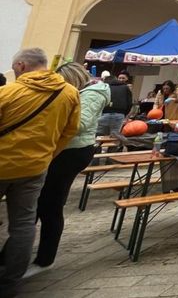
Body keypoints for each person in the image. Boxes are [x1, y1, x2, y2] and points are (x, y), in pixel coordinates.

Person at [0, 48, 80, 294]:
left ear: (22, 66)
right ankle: (10, 283)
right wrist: (47, 155)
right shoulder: (69, 93)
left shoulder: (8, 91)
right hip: (36, 167)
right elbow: (70, 130)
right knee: (23, 224)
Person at [29, 62, 109, 276]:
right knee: (39, 202)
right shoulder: (80, 93)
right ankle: (17, 250)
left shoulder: (92, 94)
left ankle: (45, 258)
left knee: (51, 203)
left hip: (73, 152)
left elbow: (80, 124)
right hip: (62, 149)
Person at [97, 74, 134, 147]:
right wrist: (124, 114)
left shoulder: (105, 87)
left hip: (104, 113)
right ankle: (110, 153)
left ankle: (97, 153)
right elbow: (130, 103)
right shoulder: (125, 88)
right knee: (114, 137)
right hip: (119, 114)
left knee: (99, 136)